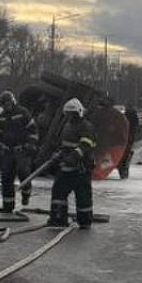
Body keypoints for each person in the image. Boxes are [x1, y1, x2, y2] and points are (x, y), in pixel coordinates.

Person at [48, 97, 97, 229]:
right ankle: (58, 218)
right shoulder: (67, 126)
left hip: (81, 168)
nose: (70, 117)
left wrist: (74, 156)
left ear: (79, 113)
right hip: (66, 167)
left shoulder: (87, 127)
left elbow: (85, 145)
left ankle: (85, 221)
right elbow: (63, 144)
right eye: (68, 114)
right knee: (58, 192)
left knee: (83, 196)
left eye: (73, 114)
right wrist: (58, 154)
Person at [0, 90, 38, 213]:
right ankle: (8, 205)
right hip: (7, 151)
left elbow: (33, 130)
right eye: (3, 104)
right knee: (6, 177)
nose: (6, 106)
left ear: (12, 102)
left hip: (22, 149)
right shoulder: (2, 116)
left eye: (7, 103)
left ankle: (26, 193)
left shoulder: (23, 112)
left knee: (23, 172)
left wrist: (31, 144)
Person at [117, 105, 140, 179]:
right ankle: (124, 170)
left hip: (125, 137)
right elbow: (136, 126)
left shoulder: (124, 118)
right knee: (127, 153)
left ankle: (123, 169)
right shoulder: (133, 118)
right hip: (128, 137)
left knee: (126, 153)